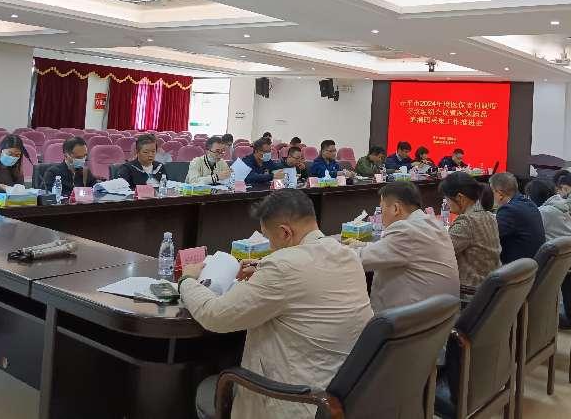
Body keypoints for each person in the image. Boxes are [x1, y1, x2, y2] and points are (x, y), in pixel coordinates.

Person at [178, 189, 373, 419]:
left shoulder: (282, 267)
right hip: (344, 395)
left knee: (205, 388)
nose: (271, 247)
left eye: (269, 238)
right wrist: (264, 271)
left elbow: (215, 315)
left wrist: (187, 280)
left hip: (296, 400)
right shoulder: (347, 255)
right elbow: (308, 280)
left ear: (285, 232)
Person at [344, 182, 460, 312]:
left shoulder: (406, 230)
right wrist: (364, 245)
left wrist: (333, 247)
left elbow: (359, 259)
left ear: (395, 208)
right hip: (440, 316)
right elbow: (396, 249)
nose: (381, 216)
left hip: (411, 319)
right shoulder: (432, 223)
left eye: (382, 209)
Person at [440, 172, 501, 288]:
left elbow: (441, 252)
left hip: (471, 291)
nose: (447, 204)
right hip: (490, 287)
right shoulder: (489, 215)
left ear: (460, 198)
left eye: (447, 199)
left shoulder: (467, 222)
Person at [491, 172, 545, 263]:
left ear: (500, 194)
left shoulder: (508, 210)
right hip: (532, 264)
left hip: (517, 267)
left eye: (492, 192)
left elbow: (490, 237)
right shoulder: (528, 203)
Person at [525, 179, 571, 244]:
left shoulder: (543, 212)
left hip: (561, 249)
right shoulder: (558, 205)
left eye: (528, 196)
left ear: (534, 196)